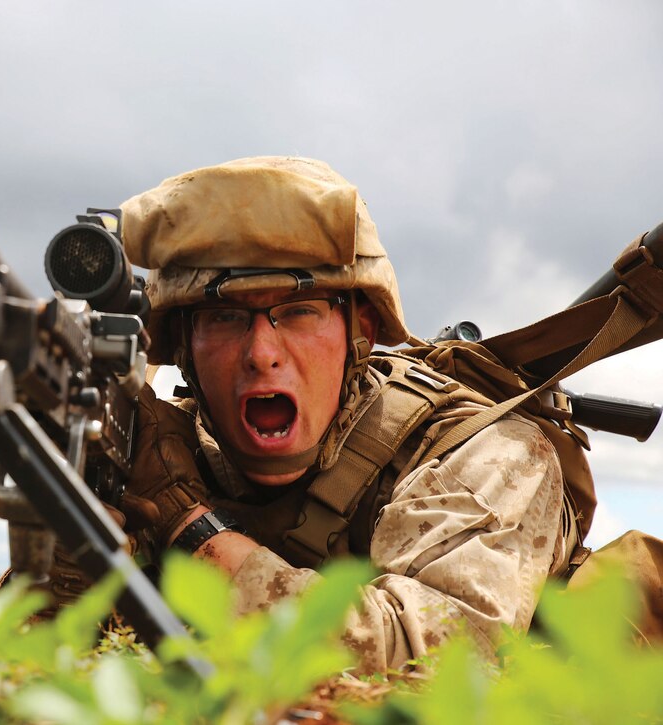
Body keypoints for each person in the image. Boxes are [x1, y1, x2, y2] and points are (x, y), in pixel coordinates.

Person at [111, 156, 570, 672]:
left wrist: (188, 524)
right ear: (183, 350)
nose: (261, 352)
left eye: (299, 311)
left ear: (362, 332)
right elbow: (28, 667)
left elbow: (439, 669)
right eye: (223, 317)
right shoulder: (151, 453)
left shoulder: (485, 455)